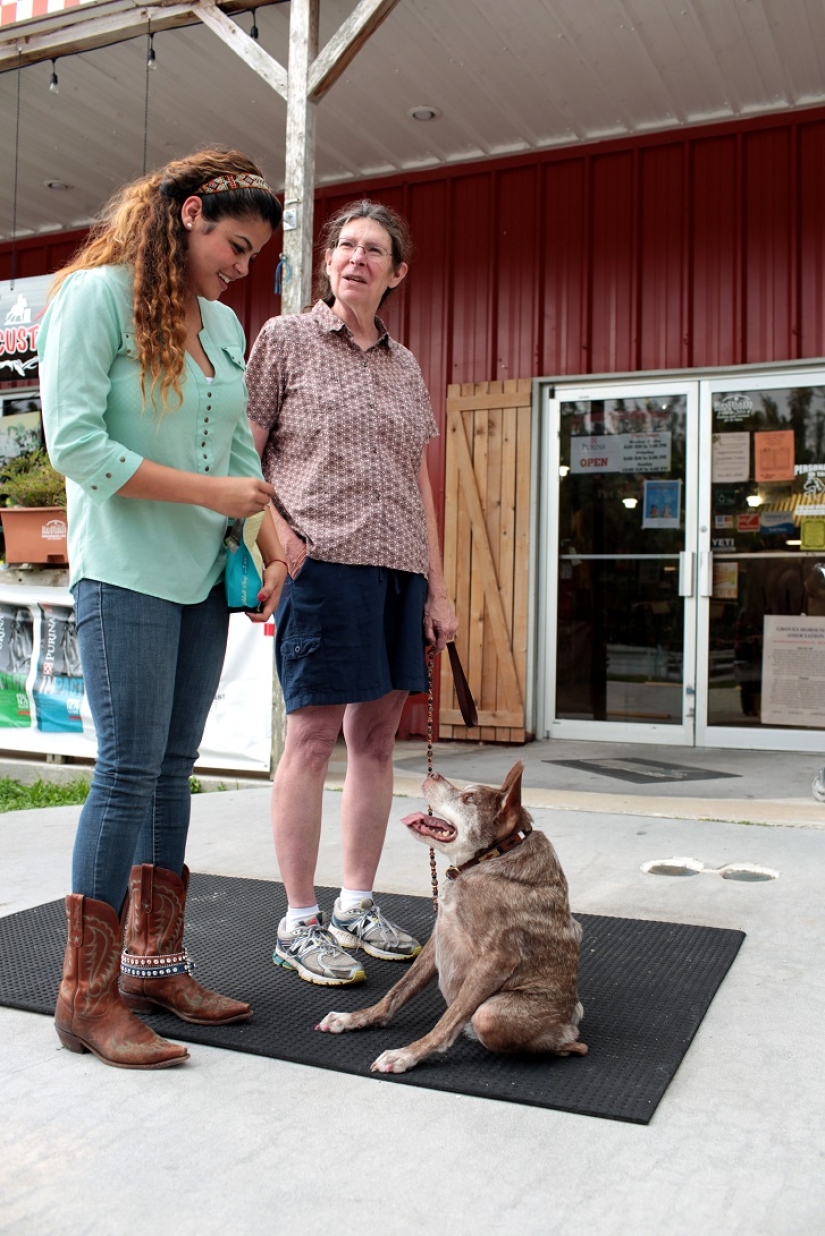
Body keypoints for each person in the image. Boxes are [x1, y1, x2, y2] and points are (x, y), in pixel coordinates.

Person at [38, 149, 286, 1069]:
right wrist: (211, 497)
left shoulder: (221, 323)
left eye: (254, 253)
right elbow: (74, 446)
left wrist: (267, 543)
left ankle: (154, 964)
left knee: (172, 769)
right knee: (129, 770)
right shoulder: (94, 297)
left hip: (199, 576)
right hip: (124, 571)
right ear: (186, 215)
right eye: (234, 242)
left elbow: (231, 458)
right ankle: (84, 997)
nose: (242, 265)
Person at [245, 199, 459, 987]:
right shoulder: (286, 339)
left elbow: (415, 480)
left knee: (374, 744)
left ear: (396, 272)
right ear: (328, 262)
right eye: (344, 246)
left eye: (373, 250)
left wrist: (437, 588)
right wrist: (281, 543)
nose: (354, 258)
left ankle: (356, 903)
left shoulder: (405, 366)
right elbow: (247, 453)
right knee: (309, 741)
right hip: (322, 566)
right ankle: (298, 920)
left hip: (398, 574)